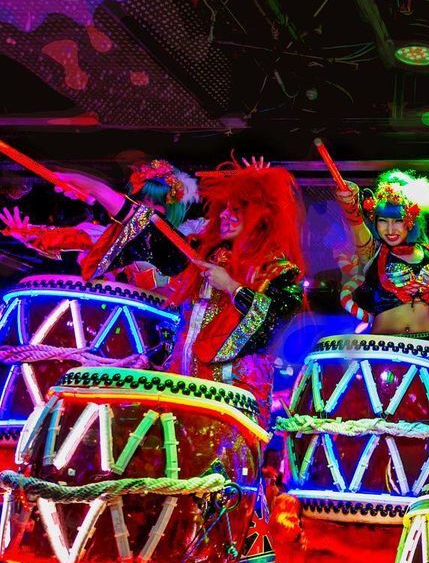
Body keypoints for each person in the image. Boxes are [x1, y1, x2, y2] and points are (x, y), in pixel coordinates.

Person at [50, 159, 306, 422]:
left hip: (233, 407)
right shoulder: (202, 257)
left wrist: (231, 286)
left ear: (260, 216)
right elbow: (148, 228)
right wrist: (96, 189)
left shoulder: (279, 273)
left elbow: (273, 323)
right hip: (183, 393)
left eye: (236, 210)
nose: (223, 215)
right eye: (225, 208)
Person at [0, 159, 202, 288]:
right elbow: (71, 238)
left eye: (157, 204)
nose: (147, 208)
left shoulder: (190, 243)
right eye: (141, 200)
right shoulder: (112, 238)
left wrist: (94, 187)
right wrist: (31, 236)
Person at [333, 169, 429, 340]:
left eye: (398, 221)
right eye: (383, 221)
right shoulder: (374, 251)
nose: (390, 229)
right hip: (386, 345)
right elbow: (357, 226)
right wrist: (350, 208)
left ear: (411, 221)